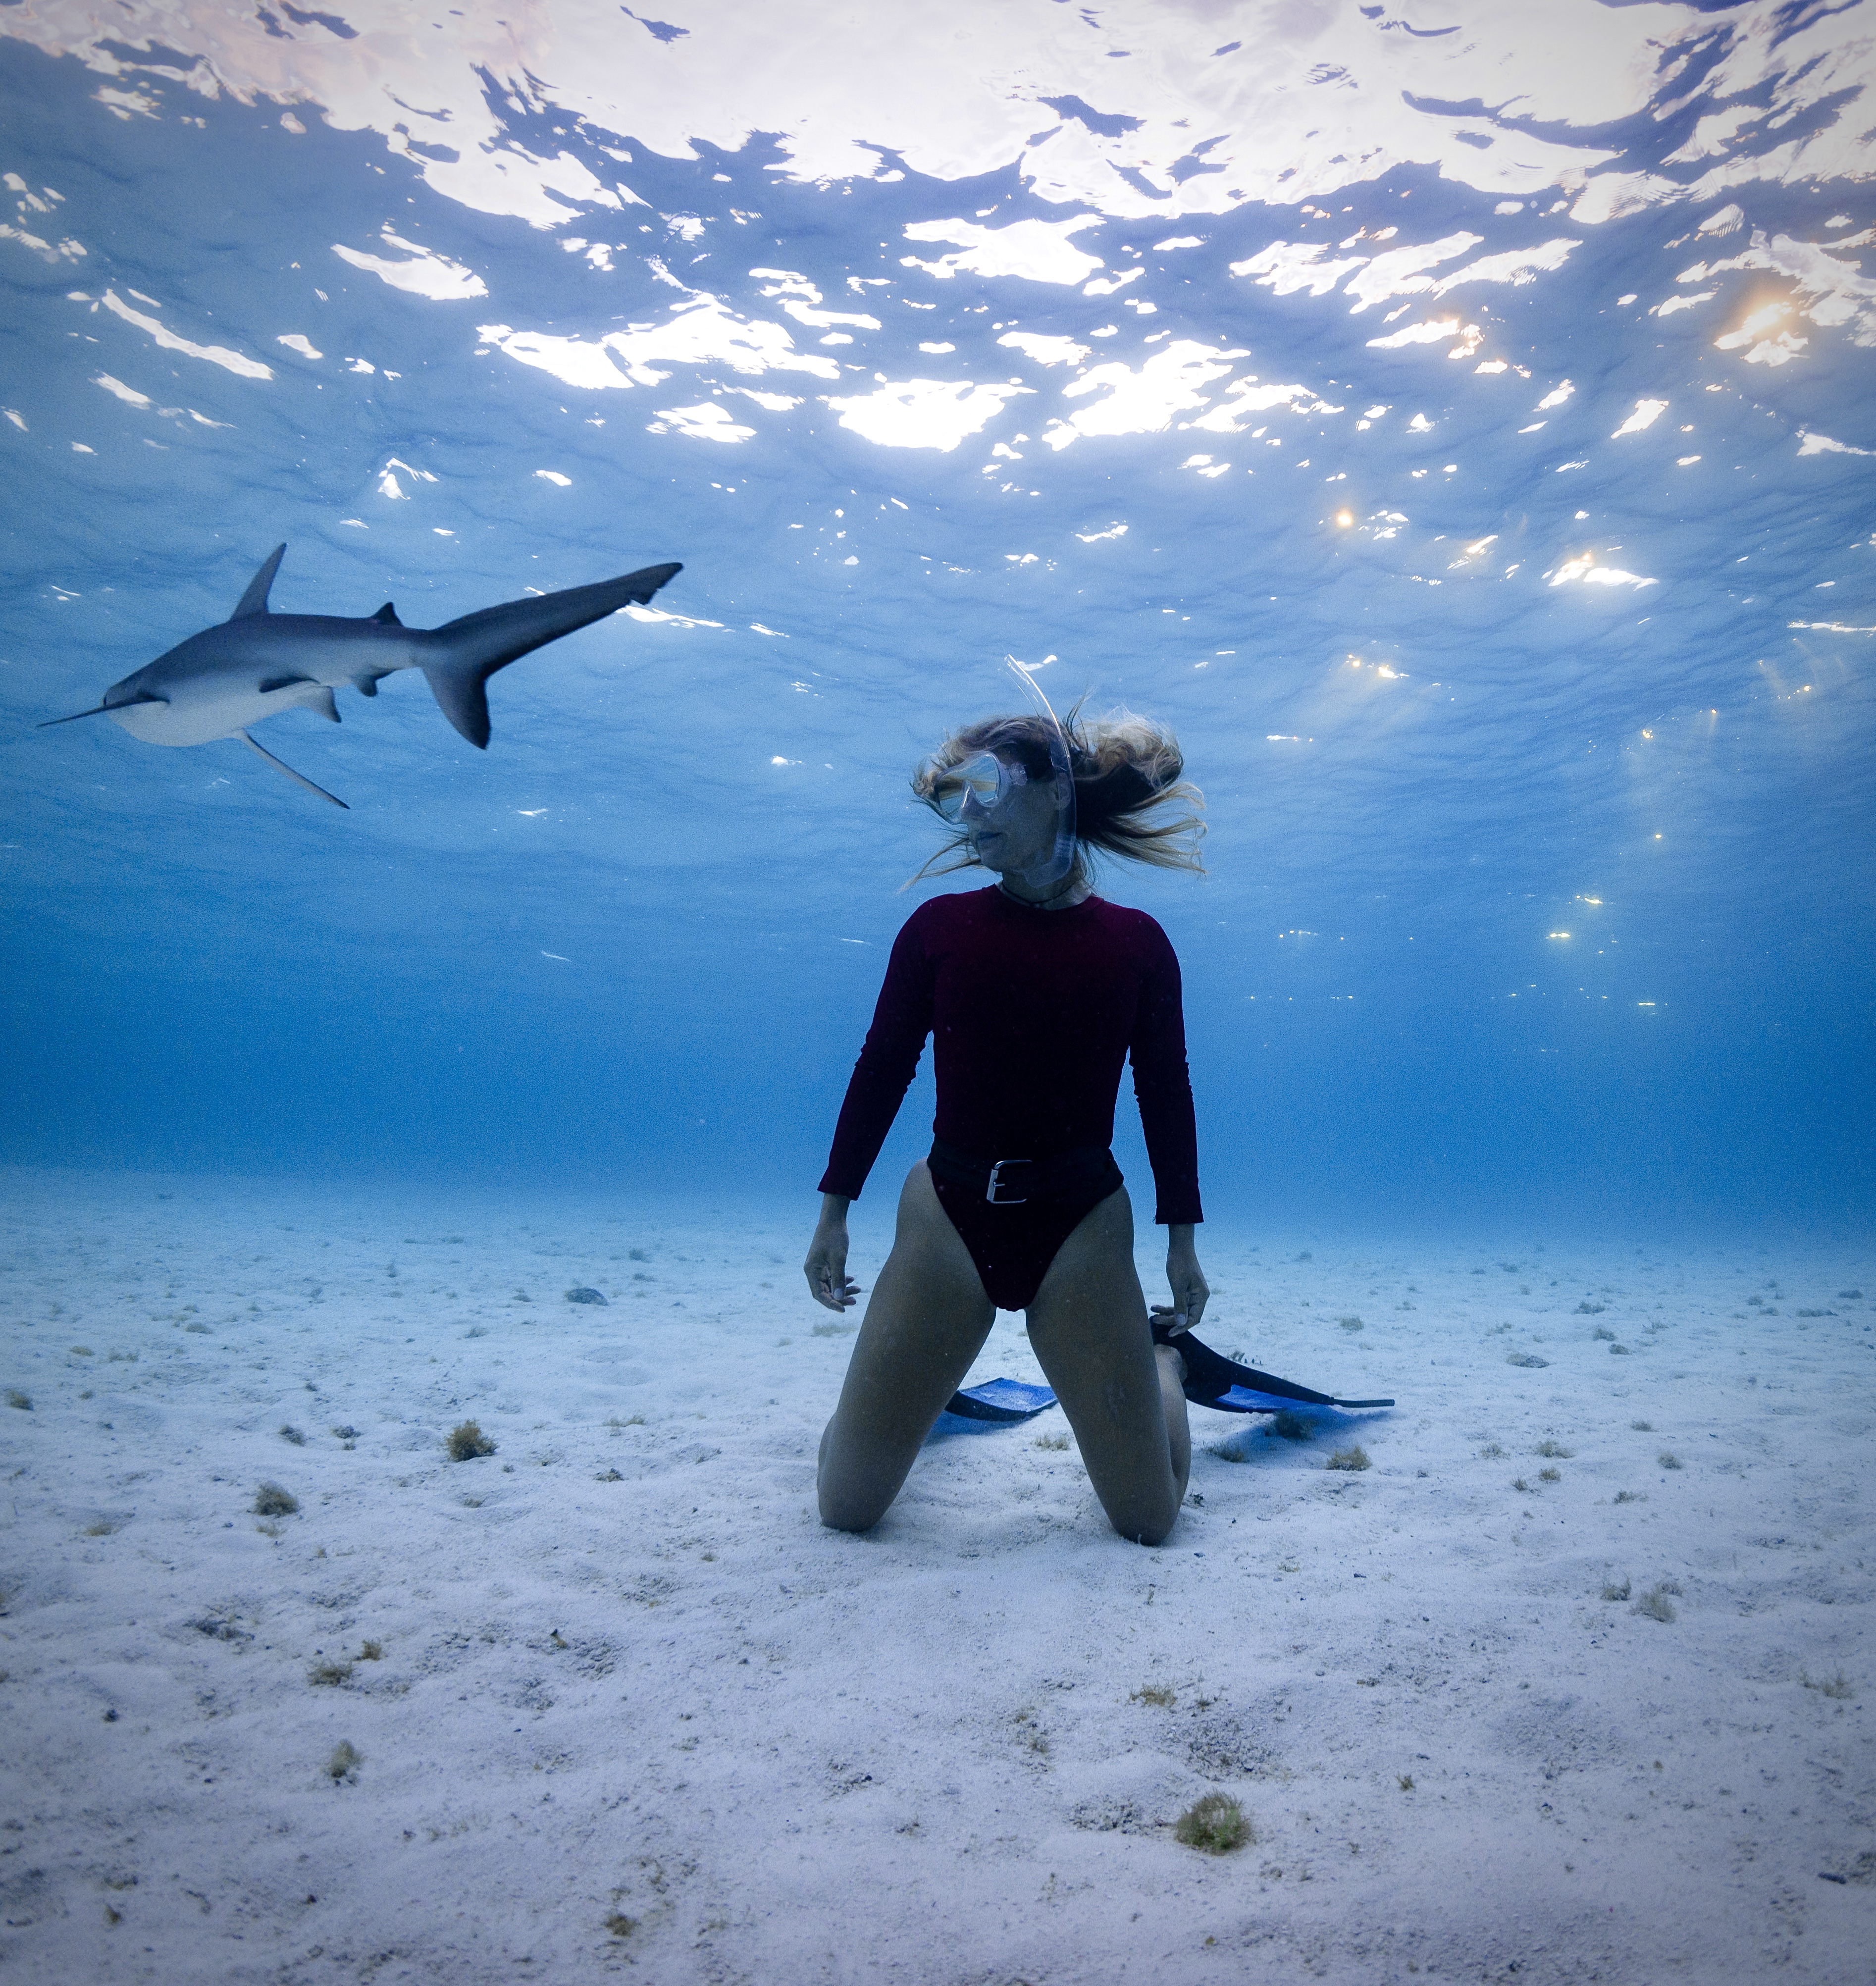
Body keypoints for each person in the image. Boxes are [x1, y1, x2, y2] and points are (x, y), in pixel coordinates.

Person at [803, 689, 1209, 1545]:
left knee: (1149, 1519)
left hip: (1083, 1230)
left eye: (985, 783)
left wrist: (1181, 1242)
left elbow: (1165, 1091)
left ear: (1055, 785)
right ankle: (896, 1395)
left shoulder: (1138, 944)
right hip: (946, 1220)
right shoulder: (936, 930)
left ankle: (1162, 1367)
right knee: (845, 1508)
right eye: (953, 795)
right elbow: (881, 1070)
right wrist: (835, 1209)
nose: (967, 813)